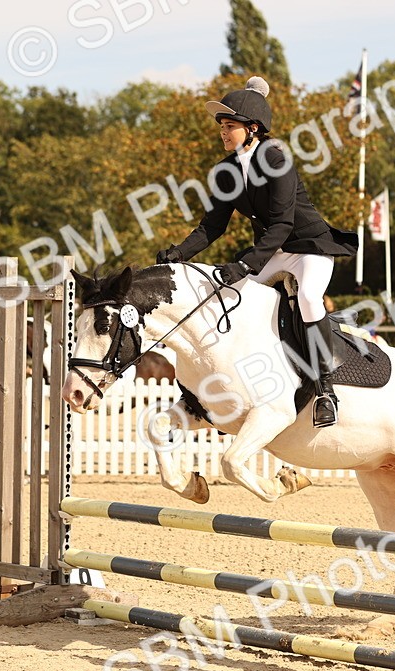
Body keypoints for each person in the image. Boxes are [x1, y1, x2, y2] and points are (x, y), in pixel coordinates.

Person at [154, 76, 357, 428]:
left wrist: (246, 264)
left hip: (308, 247)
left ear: (253, 128)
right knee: (228, 295)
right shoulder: (226, 171)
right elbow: (212, 226)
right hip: (273, 251)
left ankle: (326, 390)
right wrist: (179, 253)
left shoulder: (276, 158)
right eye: (221, 126)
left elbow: (281, 224)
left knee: (309, 298)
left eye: (229, 126)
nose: (223, 132)